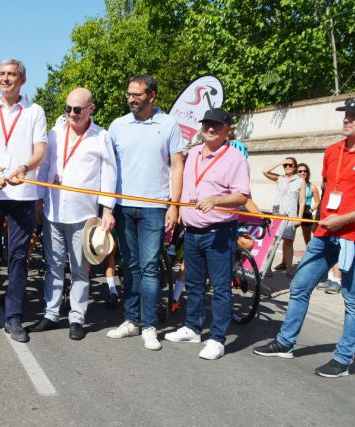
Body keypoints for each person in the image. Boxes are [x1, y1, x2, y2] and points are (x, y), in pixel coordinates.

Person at [254, 96, 355, 378]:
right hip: (326, 232)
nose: (346, 118)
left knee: (353, 299)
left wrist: (344, 219)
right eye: (345, 113)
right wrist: (324, 216)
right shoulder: (333, 150)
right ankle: (285, 342)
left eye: (353, 114)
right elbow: (325, 189)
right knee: (300, 285)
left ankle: (344, 359)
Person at [0, 58, 47, 342]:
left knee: (18, 257)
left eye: (11, 74)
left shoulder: (34, 111)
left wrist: (25, 168)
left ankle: (14, 317)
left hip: (23, 194)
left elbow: (40, 151)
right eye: (1, 74)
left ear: (22, 80)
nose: (5, 78)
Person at [29, 87, 116, 340]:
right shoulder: (55, 133)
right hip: (53, 211)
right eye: (68, 109)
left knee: (79, 268)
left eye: (78, 109)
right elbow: (44, 167)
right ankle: (51, 312)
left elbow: (110, 174)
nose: (72, 113)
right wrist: (38, 200)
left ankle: (77, 317)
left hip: (83, 214)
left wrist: (107, 209)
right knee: (53, 266)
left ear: (91, 108)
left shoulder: (101, 136)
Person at [106, 74, 184, 350]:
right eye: (128, 94)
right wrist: (107, 205)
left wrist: (174, 205)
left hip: (155, 207)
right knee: (131, 266)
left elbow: (177, 166)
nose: (131, 99)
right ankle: (131, 320)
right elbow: (107, 167)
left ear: (152, 96)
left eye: (136, 95)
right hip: (124, 207)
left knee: (151, 267)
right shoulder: (117, 126)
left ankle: (149, 325)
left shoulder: (169, 124)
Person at [164, 108, 250, 360]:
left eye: (216, 125)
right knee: (193, 283)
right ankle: (192, 327)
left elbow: (242, 196)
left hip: (219, 232)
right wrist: (176, 208)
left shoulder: (235, 158)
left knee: (221, 288)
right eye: (207, 124)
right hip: (192, 230)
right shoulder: (191, 154)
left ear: (227, 130)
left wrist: (216, 199)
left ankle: (217, 339)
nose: (210, 128)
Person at [262, 156, 306, 275]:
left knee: (288, 242)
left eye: (290, 165)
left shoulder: (300, 181)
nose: (287, 167)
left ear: (295, 167)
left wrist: (299, 218)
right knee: (273, 241)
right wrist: (280, 162)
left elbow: (302, 201)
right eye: (285, 165)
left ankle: (289, 269)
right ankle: (268, 267)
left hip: (291, 214)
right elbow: (265, 171)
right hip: (277, 213)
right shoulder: (279, 178)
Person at [297, 162, 321, 244]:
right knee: (288, 238)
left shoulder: (312, 187)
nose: (302, 173)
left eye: (305, 171)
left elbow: (318, 202)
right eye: (300, 171)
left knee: (307, 240)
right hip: (293, 209)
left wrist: (310, 210)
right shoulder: (293, 185)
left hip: (306, 212)